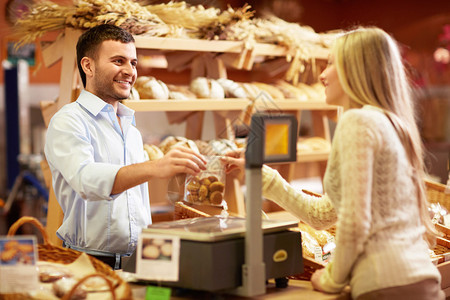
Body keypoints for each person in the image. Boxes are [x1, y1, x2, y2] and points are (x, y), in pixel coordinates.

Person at [221, 27, 444, 299]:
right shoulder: (391, 123)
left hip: (385, 284)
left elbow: (354, 222)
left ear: (355, 69)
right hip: (417, 280)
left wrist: (332, 279)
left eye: (331, 64)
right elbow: (323, 215)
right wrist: (262, 175)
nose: (322, 75)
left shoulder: (358, 122)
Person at [44, 24, 206, 269]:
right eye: (119, 61)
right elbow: (87, 180)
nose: (129, 71)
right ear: (88, 66)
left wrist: (183, 177)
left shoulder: (130, 127)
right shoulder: (69, 120)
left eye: (133, 63)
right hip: (92, 263)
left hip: (144, 258)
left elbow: (136, 197)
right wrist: (155, 166)